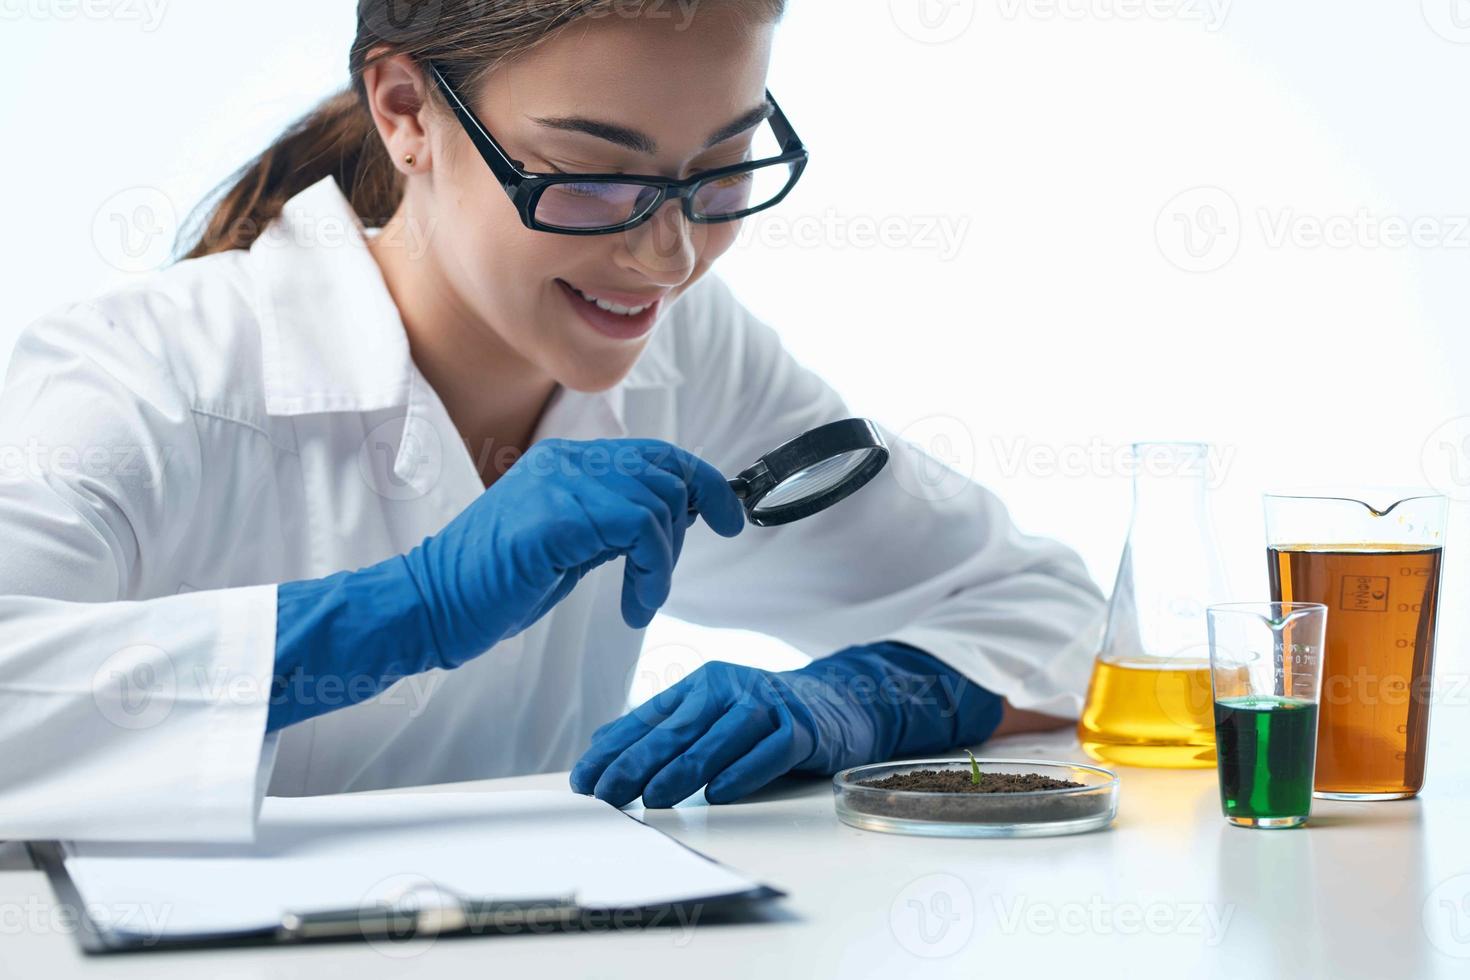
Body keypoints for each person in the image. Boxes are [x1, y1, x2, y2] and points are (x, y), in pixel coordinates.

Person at [0, 0, 1103, 842]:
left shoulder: (689, 350)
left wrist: (862, 703)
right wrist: (401, 610)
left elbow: (1048, 612)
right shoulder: (143, 381)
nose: (667, 257)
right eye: (590, 176)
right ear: (405, 111)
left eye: (720, 173)